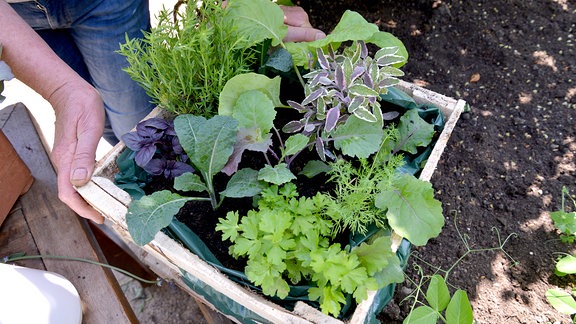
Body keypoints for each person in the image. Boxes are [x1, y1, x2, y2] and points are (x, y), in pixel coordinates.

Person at [0, 0, 325, 224]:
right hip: (15, 17)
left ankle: (151, 164)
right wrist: (62, 90)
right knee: (113, 127)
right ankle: (139, 159)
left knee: (133, 115)